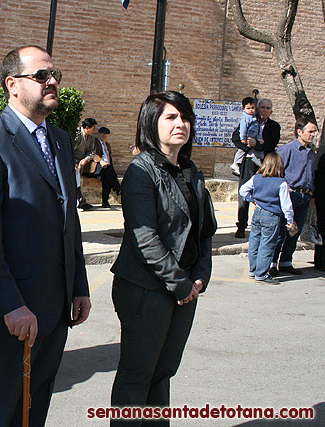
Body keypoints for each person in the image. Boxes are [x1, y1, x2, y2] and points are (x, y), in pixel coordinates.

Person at [0, 45, 91, 426]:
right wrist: (11, 305)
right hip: (8, 314)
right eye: (42, 76)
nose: (52, 82)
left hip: (53, 309)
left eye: (55, 76)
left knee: (32, 412)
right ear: (12, 85)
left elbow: (69, 220)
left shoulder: (62, 141)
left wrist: (78, 286)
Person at [110, 91, 214, 423]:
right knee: (136, 376)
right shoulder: (142, 170)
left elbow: (204, 229)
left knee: (163, 372)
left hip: (184, 288)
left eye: (184, 117)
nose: (180, 123)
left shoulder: (189, 169)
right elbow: (145, 238)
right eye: (170, 117)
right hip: (146, 288)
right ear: (150, 123)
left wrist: (200, 274)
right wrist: (180, 284)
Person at [269, 117, 318, 276]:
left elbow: (310, 174)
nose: (313, 135)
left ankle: (286, 261)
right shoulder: (287, 150)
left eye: (314, 132)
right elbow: (275, 172)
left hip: (304, 197)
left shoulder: (310, 151)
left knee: (295, 232)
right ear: (299, 132)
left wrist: (311, 193)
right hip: (289, 196)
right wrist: (283, 190)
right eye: (310, 131)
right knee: (282, 231)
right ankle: (272, 263)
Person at [239, 152, 295, 285]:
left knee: (255, 242)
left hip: (258, 212)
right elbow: (286, 205)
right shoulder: (281, 183)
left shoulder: (256, 178)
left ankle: (253, 270)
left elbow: (243, 190)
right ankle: (262, 273)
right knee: (267, 245)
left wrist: (252, 200)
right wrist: (290, 220)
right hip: (272, 215)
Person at [232, 98, 281, 238]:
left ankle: (261, 225)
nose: (264, 110)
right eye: (262, 107)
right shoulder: (248, 120)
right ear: (257, 109)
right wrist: (248, 145)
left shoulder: (274, 126)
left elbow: (272, 143)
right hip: (248, 161)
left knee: (265, 193)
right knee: (244, 192)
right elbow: (235, 138)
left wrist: (257, 145)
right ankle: (241, 226)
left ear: (271, 111)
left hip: (265, 164)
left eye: (268, 108)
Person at [92, 126, 121, 208]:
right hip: (97, 166)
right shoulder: (94, 142)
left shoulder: (107, 145)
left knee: (106, 180)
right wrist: (101, 161)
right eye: (103, 134)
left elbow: (109, 158)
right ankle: (118, 188)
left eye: (106, 135)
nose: (104, 136)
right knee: (108, 169)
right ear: (99, 134)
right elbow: (93, 154)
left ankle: (105, 202)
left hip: (106, 169)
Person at [230, 97, 260, 176]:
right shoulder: (245, 118)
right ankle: (236, 163)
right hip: (247, 138)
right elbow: (242, 129)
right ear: (244, 109)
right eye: (248, 108)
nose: (251, 110)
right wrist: (243, 139)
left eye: (253, 108)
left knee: (250, 149)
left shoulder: (254, 117)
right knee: (242, 150)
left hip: (253, 137)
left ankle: (256, 159)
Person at [74, 117, 97, 210]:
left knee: (78, 182)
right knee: (74, 182)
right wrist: (73, 162)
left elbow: (92, 151)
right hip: (73, 162)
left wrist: (86, 159)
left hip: (81, 162)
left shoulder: (91, 138)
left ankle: (80, 201)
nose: (94, 131)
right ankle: (79, 201)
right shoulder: (77, 134)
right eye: (93, 128)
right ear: (87, 127)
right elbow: (70, 149)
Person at [313, 149, 325, 271]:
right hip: (322, 198)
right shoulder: (322, 154)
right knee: (322, 229)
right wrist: (314, 195)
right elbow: (317, 174)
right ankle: (320, 260)